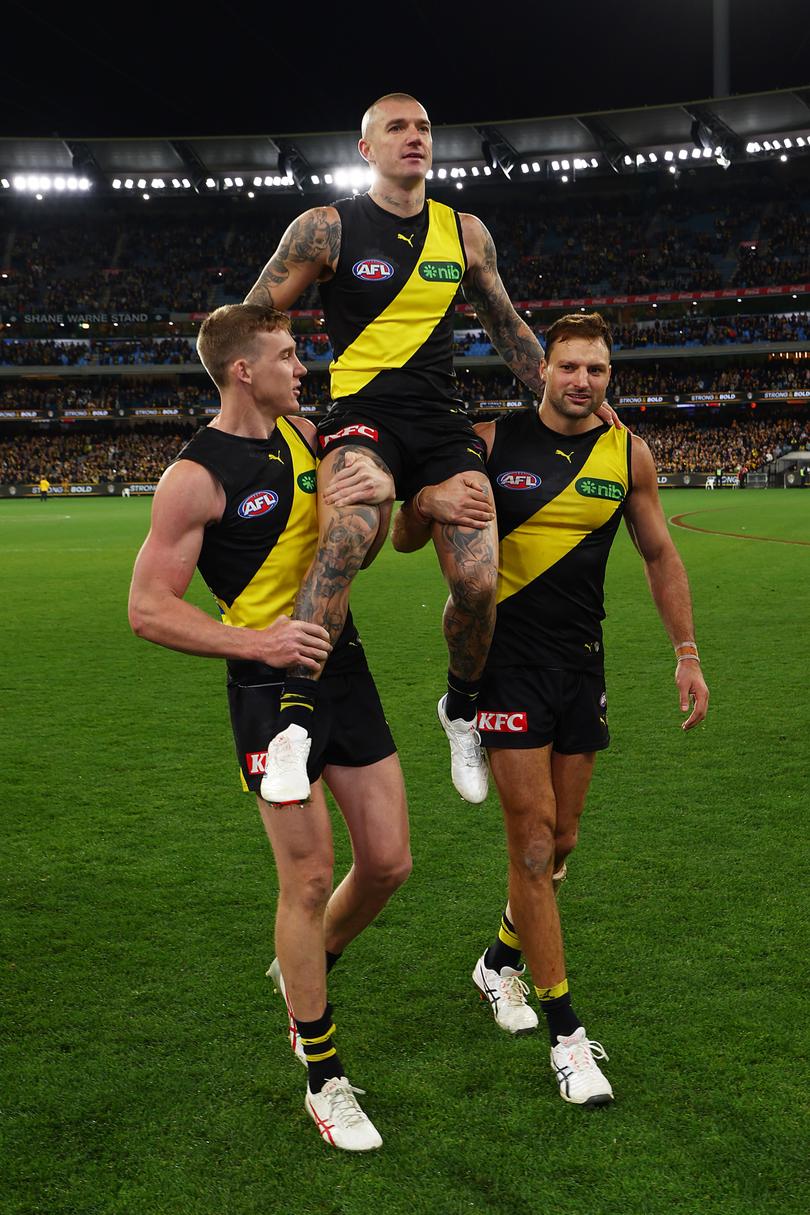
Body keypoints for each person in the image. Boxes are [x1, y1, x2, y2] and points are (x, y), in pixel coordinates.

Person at [244, 92, 618, 808]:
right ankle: (293, 722)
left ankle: (460, 708)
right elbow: (252, 318)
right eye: (397, 128)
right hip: (361, 416)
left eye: (423, 127)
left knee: (480, 583)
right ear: (366, 148)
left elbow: (508, 328)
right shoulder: (326, 228)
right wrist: (275, 412)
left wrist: (588, 404)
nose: (414, 138)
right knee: (350, 532)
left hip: (443, 425)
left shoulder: (465, 233)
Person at [392, 312, 709, 1108]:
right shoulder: (490, 443)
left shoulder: (626, 453)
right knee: (531, 845)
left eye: (596, 370)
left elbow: (660, 553)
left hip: (581, 667)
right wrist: (425, 497)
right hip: (507, 669)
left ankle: (499, 962)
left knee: (561, 843)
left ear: (609, 376)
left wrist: (687, 654)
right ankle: (568, 1038)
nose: (582, 381)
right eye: (568, 366)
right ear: (542, 369)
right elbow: (406, 534)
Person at [128, 304, 412, 1153]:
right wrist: (258, 639)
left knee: (390, 861)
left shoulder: (310, 437)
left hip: (343, 666)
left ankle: (301, 970)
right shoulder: (194, 475)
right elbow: (147, 609)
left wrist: (383, 501)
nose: (303, 363)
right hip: (264, 682)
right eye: (288, 354)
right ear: (243, 369)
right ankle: (322, 1072)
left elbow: (358, 545)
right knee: (308, 873)